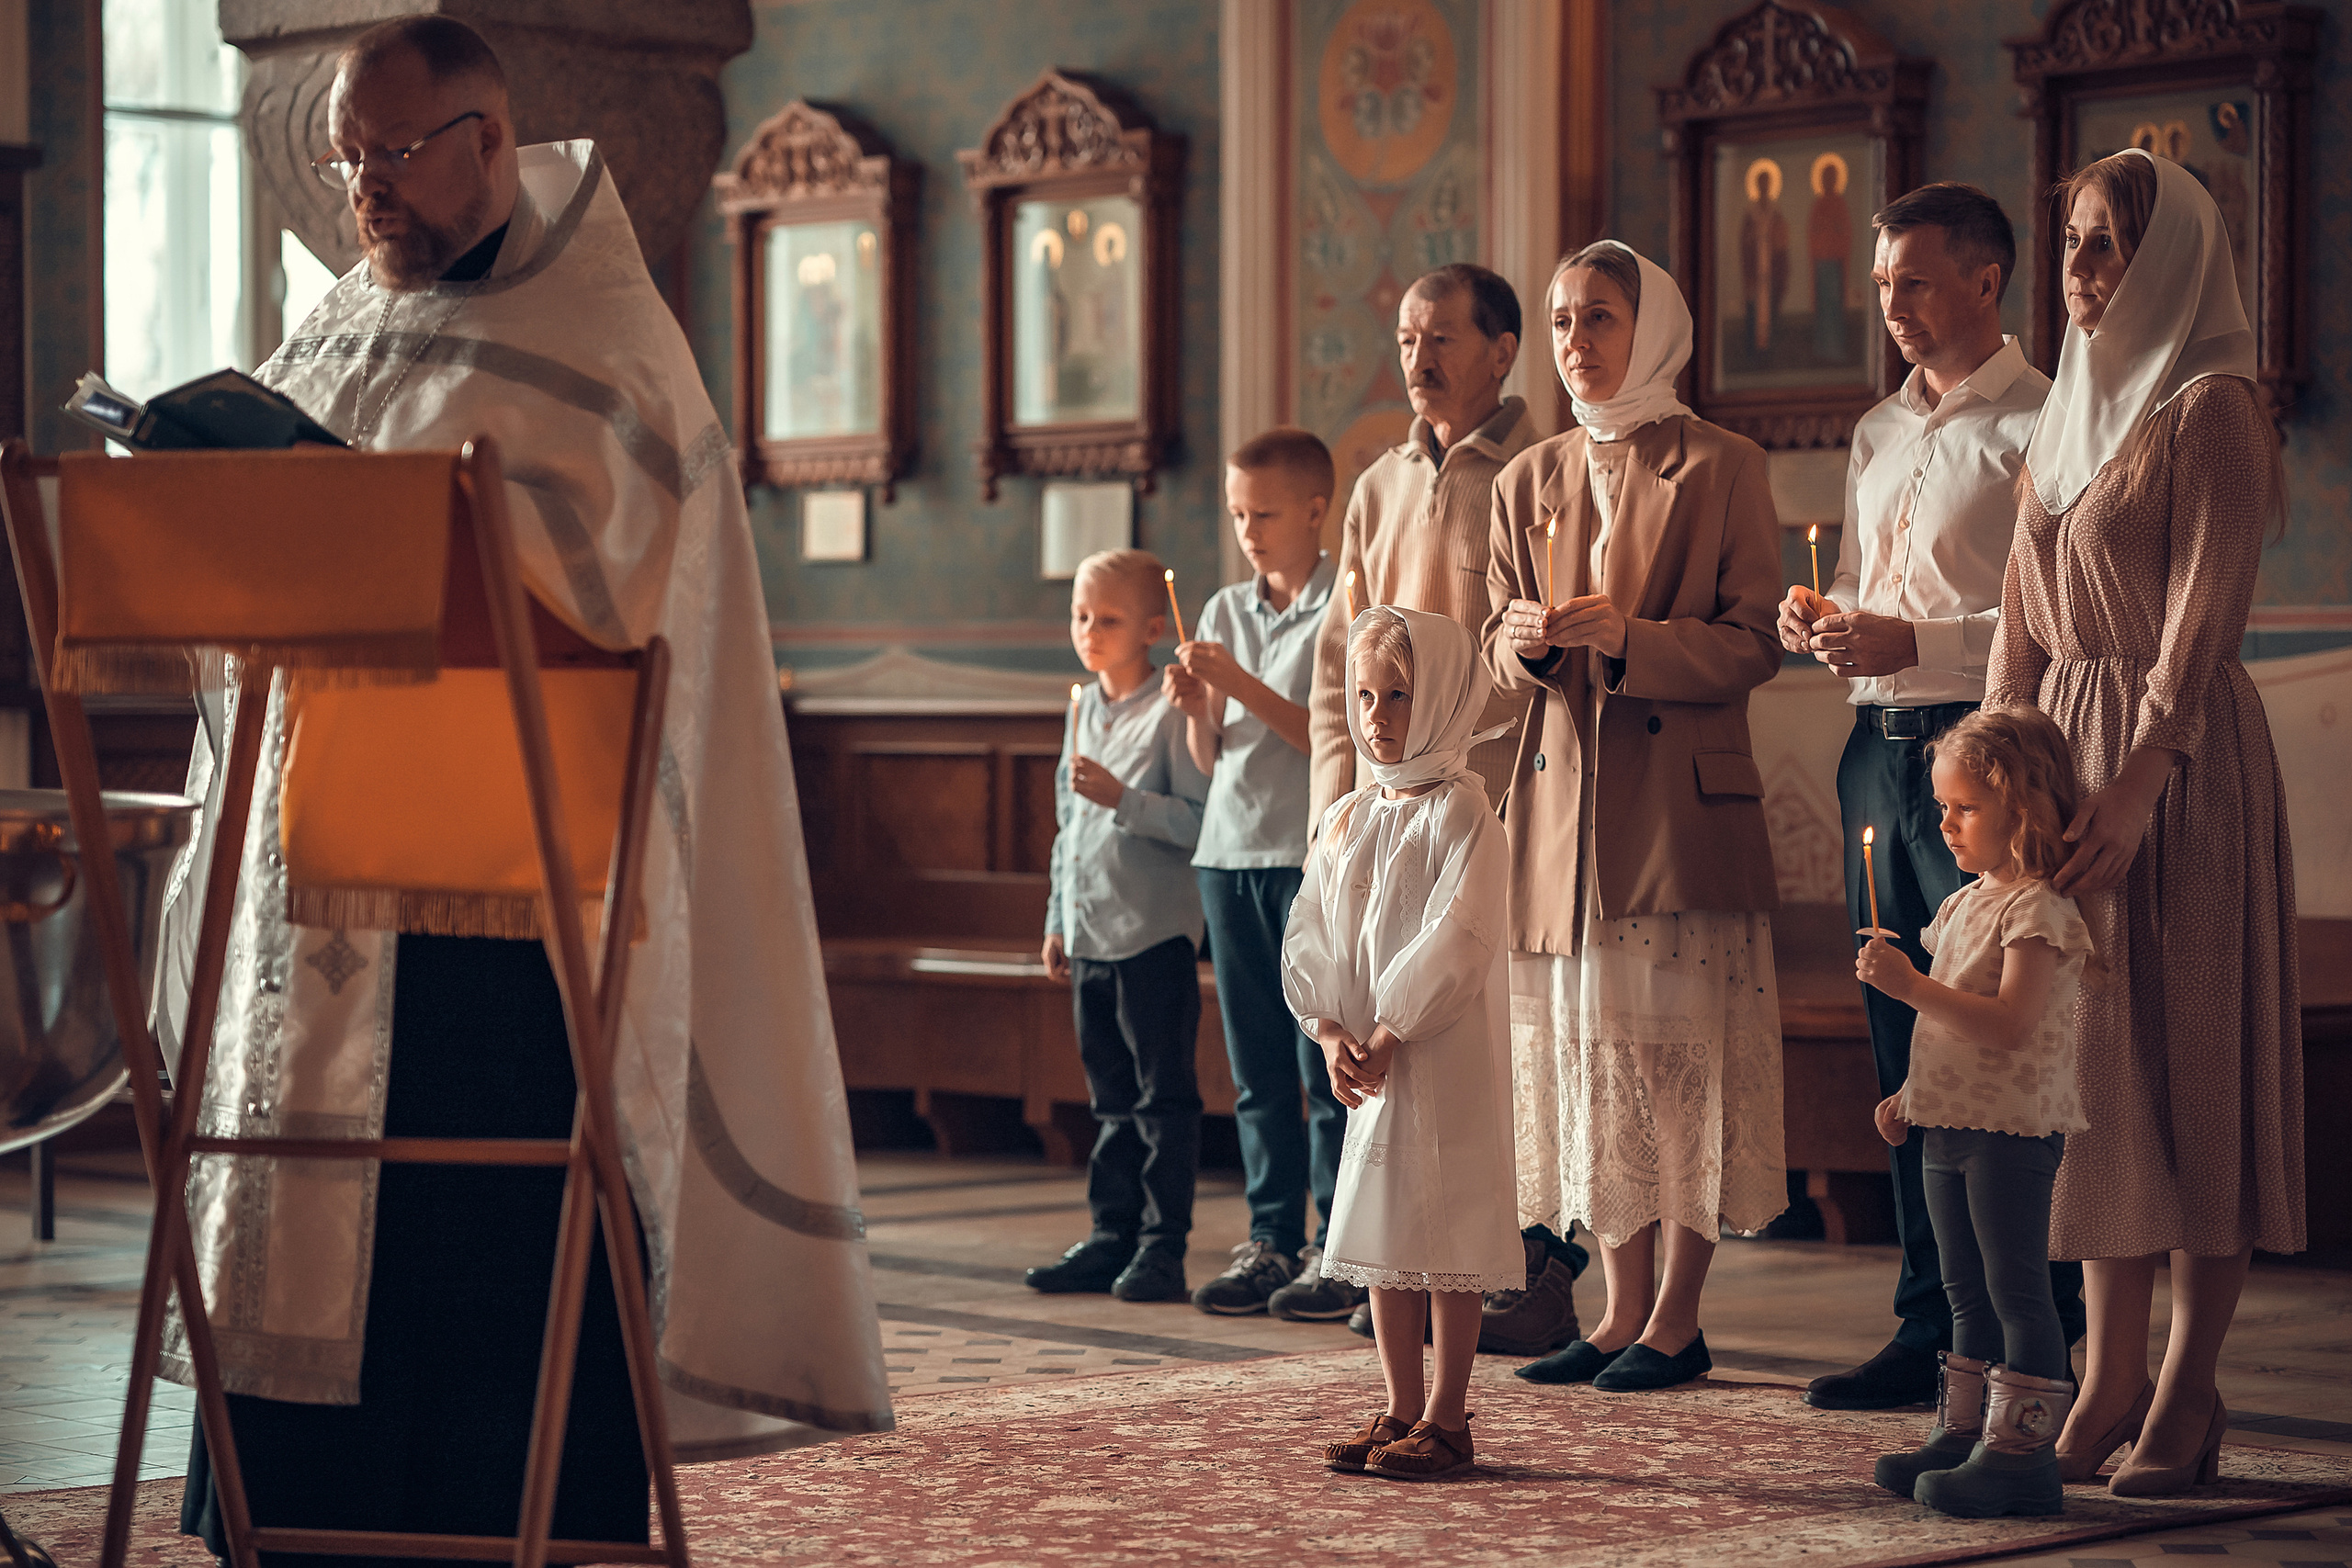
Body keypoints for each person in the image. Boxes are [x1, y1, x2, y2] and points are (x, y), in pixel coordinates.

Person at [163, 17, 892, 1558]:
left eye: (391, 155)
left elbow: (608, 595)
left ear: (488, 138)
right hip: (303, 883)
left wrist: (395, 533)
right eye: (345, 160)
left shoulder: (606, 345)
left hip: (493, 902)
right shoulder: (344, 325)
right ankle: (287, 1522)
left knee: (471, 1247)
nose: (365, 190)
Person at [1987, 147, 2301, 1496]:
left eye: (2106, 241)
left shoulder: (2210, 408)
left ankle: (2185, 1387)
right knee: (2093, 1079)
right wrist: (1997, 772)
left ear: (2169, 256)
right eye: (2070, 240)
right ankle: (2107, 1376)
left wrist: (2138, 774)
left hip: (2178, 767)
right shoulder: (2065, 413)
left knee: (2190, 1064)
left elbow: (2204, 610)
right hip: (2065, 754)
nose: (2079, 267)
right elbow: (2017, 616)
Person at [1778, 182, 2084, 1413]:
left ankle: (2036, 1320)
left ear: (1986, 281)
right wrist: (1828, 622)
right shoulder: (1876, 428)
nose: (1890, 303)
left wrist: (1918, 642)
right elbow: (1871, 590)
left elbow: (2054, 613)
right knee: (1901, 1033)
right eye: (1880, 282)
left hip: (1983, 753)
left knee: (1988, 1038)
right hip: (1874, 748)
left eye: (1912, 280)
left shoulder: (2043, 420)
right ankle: (1930, 1322)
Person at [1485, 240, 1786, 1393]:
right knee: (1591, 1065)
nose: (1575, 340)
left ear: (1652, 325)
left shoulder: (1721, 464)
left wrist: (1631, 642)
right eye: (1562, 319)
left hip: (1675, 815)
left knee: (1676, 1073)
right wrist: (1520, 646)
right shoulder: (1528, 477)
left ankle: (1678, 1319)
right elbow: (1498, 643)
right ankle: (1616, 1313)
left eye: (1599, 316)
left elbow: (1754, 643)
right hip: (1562, 823)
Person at [1306, 262, 1583, 1354]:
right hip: (1385, 815)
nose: (1418, 359)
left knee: (1508, 1046)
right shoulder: (1378, 484)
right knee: (1393, 1036)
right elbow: (1342, 660)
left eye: (1442, 339)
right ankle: (1397, 1259)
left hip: (1500, 797)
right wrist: (1332, 808)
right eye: (1406, 340)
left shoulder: (1540, 470)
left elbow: (1535, 649)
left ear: (1502, 351)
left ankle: (1533, 1265)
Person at [1283, 607, 1521, 1481]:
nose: (1378, 715)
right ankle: (1398, 1404)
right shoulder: (1350, 813)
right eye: (1365, 695)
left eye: (1400, 696)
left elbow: (1461, 934)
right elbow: (1311, 925)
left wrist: (1391, 1027)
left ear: (1445, 699)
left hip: (1440, 1048)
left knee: (1448, 1234)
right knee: (1386, 1224)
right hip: (1369, 1058)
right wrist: (1329, 1028)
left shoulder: (1464, 810)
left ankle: (1449, 1416)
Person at [1859, 707, 2102, 1518]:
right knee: (1963, 1289)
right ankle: (1964, 1434)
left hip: (2011, 1129)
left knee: (2017, 1291)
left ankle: (2022, 1456)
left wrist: (1908, 985)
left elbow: (2008, 1024)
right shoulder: (1965, 903)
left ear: (2021, 807)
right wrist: (1910, 1094)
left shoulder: (2039, 910)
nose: (1944, 823)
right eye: (1942, 806)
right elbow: (1946, 1029)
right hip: (1950, 1122)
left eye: (1964, 807)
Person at [1165, 430, 1360, 1321]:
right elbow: (1210, 758)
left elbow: (1330, 735)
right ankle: (1269, 1238)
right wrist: (1197, 707)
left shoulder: (1342, 601)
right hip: (1228, 852)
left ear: (1316, 511)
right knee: (1255, 1070)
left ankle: (1336, 1246)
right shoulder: (1220, 608)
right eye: (1238, 514)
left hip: (1304, 854)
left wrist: (1237, 685)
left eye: (1265, 514)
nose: (1247, 532)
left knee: (1320, 1064)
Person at [1027, 548, 1211, 1303]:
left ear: (1152, 629)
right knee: (1108, 1099)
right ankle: (1112, 1234)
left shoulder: (1172, 711)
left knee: (1161, 1099)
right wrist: (1057, 918)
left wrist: (1123, 799)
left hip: (1153, 933)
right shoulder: (1082, 710)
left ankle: (1163, 1247)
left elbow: (1201, 822)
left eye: (1107, 618)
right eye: (1080, 616)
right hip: (1091, 931)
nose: (1089, 631)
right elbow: (1067, 828)